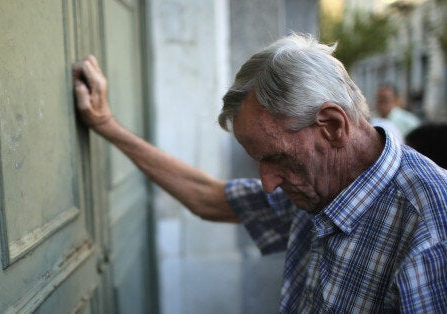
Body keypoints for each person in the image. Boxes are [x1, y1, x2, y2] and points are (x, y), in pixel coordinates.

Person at [73, 34, 447, 312]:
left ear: (332, 125)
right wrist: (107, 125)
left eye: (278, 158)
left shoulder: (432, 227)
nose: (269, 182)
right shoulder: (322, 185)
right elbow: (208, 197)